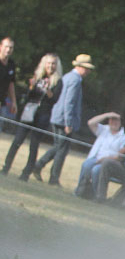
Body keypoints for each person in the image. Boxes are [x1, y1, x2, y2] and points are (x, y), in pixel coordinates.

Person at [34, 54, 94, 186]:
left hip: (58, 116)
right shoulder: (75, 80)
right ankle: (49, 174)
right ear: (80, 67)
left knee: (59, 147)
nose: (89, 71)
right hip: (63, 119)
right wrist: (68, 123)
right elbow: (69, 103)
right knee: (61, 149)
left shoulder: (67, 76)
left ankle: (42, 168)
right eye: (87, 68)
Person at [2, 53, 62, 180]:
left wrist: (48, 90)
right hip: (30, 112)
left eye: (53, 64)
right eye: (49, 63)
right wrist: (31, 86)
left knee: (34, 145)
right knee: (17, 141)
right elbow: (29, 95)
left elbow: (54, 99)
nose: (51, 66)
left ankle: (26, 173)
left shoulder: (58, 82)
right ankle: (6, 167)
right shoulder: (38, 77)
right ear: (44, 64)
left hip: (43, 115)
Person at [74, 112, 125, 198]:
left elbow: (120, 157)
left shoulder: (124, 137)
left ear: (121, 123)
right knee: (86, 165)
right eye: (112, 120)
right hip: (95, 158)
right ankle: (79, 191)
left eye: (117, 121)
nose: (114, 123)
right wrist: (107, 114)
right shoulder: (103, 129)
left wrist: (105, 159)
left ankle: (97, 195)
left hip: (108, 162)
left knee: (96, 170)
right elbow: (90, 122)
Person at [0, 37, 17, 122]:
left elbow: (11, 83)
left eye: (11, 47)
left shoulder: (11, 64)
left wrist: (14, 102)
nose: (8, 49)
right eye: (6, 46)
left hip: (2, 103)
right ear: (1, 47)